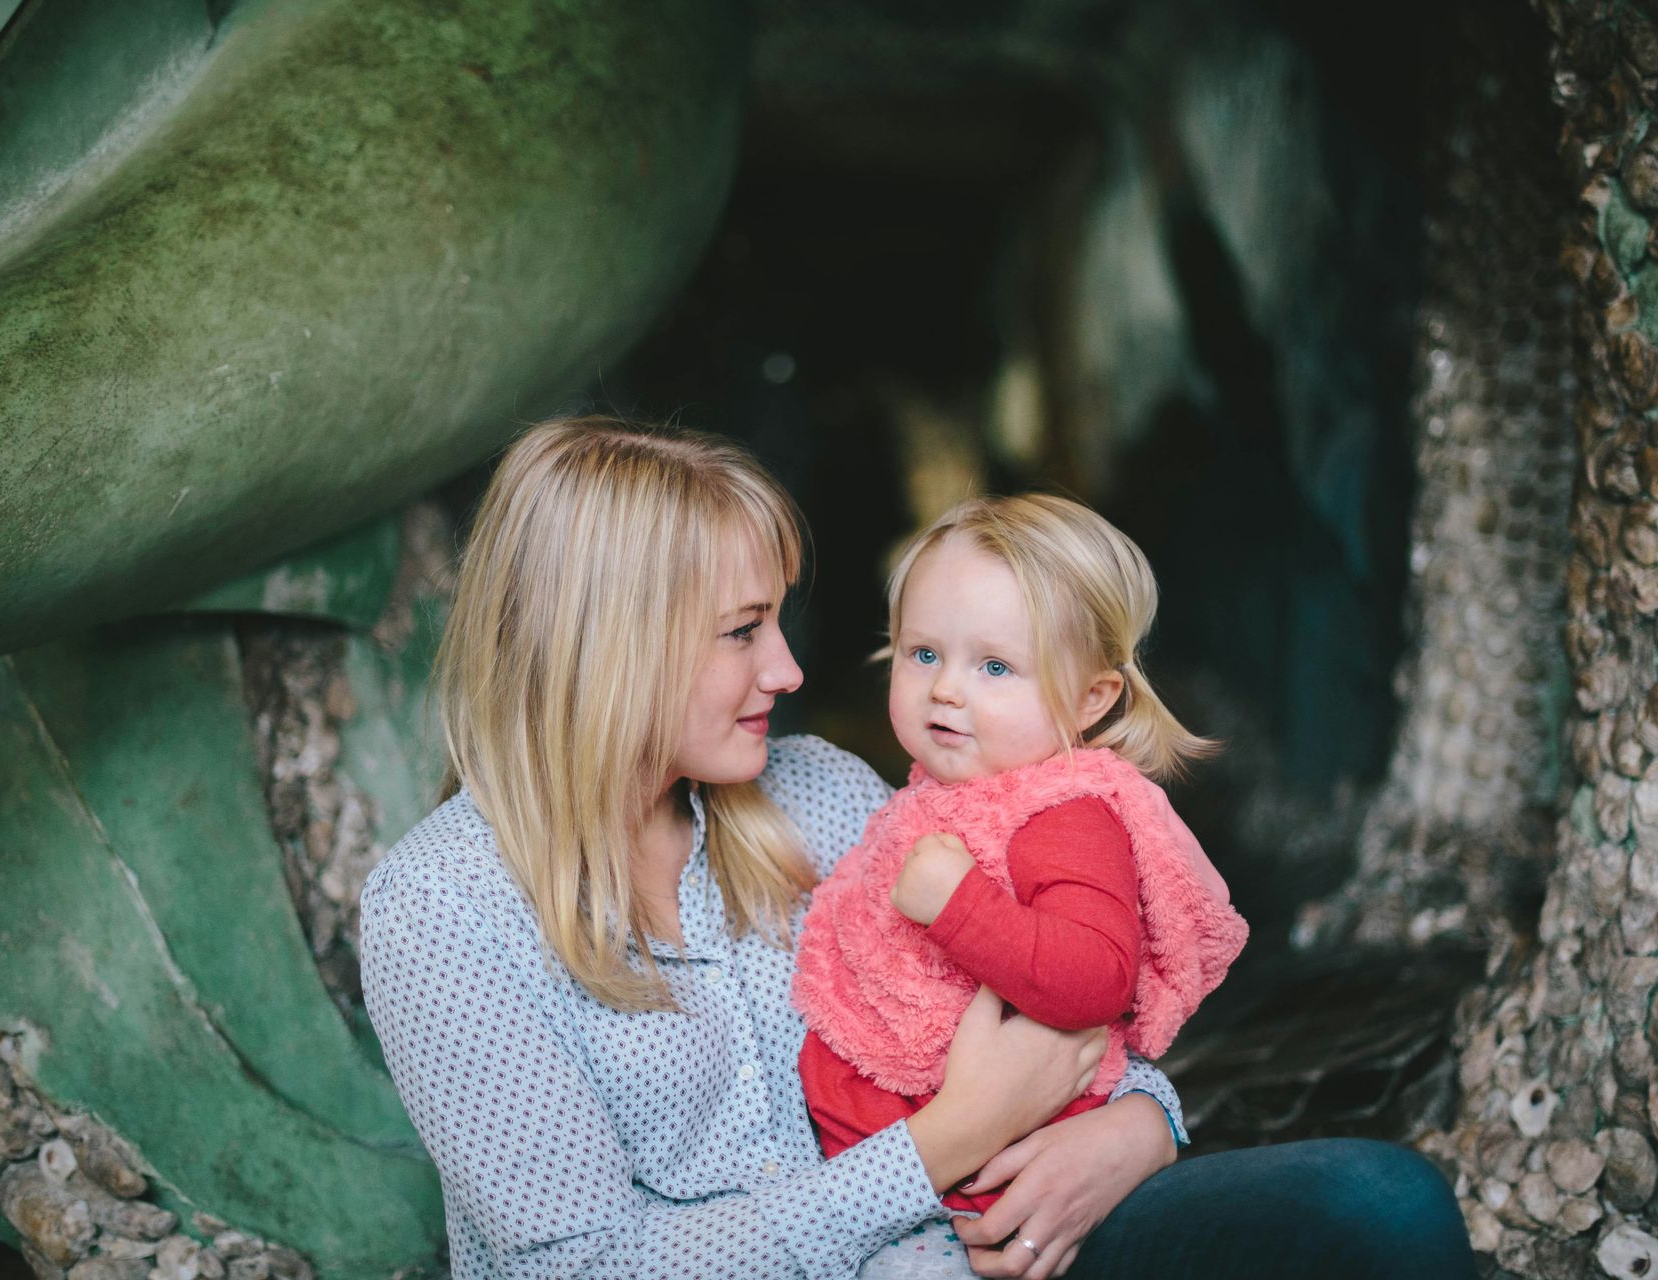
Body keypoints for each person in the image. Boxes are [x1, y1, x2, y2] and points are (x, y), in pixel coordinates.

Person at [359, 415, 1477, 1280]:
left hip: (969, 1244)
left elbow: (1043, 995)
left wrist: (1139, 1129)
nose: (790, 671)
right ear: (611, 648)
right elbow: (587, 1267)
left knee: (1380, 1205)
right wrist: (943, 1144)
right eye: (744, 631)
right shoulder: (441, 907)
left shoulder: (830, 795)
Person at [790, 495, 1249, 1277]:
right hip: (900, 1171)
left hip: (989, 1195)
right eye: (923, 653)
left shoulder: (1063, 815)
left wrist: (959, 906)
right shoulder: (932, 799)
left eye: (994, 666)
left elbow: (1094, 980)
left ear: (1090, 700)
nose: (946, 690)